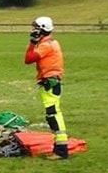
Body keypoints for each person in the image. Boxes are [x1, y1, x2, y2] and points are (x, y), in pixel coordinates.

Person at [24, 15, 69, 159]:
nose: (33, 30)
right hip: (51, 81)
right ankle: (60, 147)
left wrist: (32, 43)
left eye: (35, 28)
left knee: (53, 114)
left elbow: (28, 59)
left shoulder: (46, 45)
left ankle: (61, 150)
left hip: (50, 82)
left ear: (41, 30)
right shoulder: (49, 42)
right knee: (52, 114)